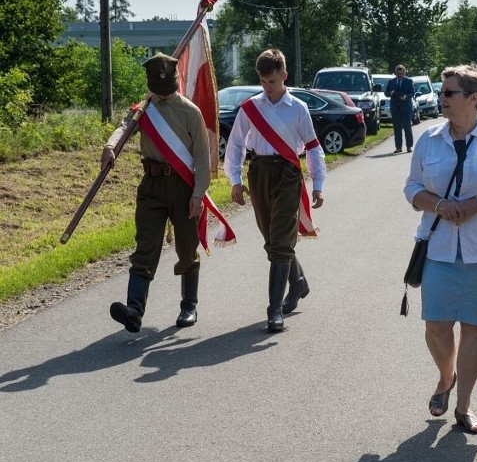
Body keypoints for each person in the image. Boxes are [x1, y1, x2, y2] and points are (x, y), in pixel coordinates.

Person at [404, 63, 477, 435]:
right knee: (436, 326)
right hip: (438, 248)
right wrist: (437, 204)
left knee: (473, 328)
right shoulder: (429, 139)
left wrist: (475, 205)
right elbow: (412, 188)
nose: (441, 99)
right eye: (442, 92)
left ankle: (464, 407)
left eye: (449, 93)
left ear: (473, 98)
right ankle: (445, 376)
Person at [104, 52, 211, 333]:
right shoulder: (143, 109)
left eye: (167, 89)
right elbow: (124, 127)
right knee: (146, 245)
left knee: (187, 248)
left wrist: (198, 194)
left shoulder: (190, 112)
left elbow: (202, 157)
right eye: (158, 89)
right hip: (151, 186)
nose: (163, 95)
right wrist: (110, 147)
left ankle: (189, 305)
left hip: (183, 187)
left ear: (175, 82)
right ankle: (134, 311)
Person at [223, 48, 327, 332]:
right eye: (263, 81)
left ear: (284, 76)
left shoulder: (298, 108)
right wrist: (234, 179)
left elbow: (313, 147)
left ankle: (274, 309)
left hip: (288, 174)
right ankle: (299, 282)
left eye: (272, 81)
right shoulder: (250, 108)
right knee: (272, 239)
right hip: (258, 173)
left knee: (280, 241)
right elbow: (235, 145)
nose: (268, 87)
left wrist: (318, 184)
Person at [384, 64, 415, 153]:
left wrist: (405, 97)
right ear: (395, 73)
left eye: (401, 73)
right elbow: (386, 93)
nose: (399, 75)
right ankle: (398, 147)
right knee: (397, 129)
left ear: (404, 73)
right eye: (398, 74)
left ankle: (409, 146)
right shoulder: (391, 82)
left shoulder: (409, 81)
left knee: (407, 128)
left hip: (406, 108)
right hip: (395, 108)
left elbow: (412, 93)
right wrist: (391, 93)